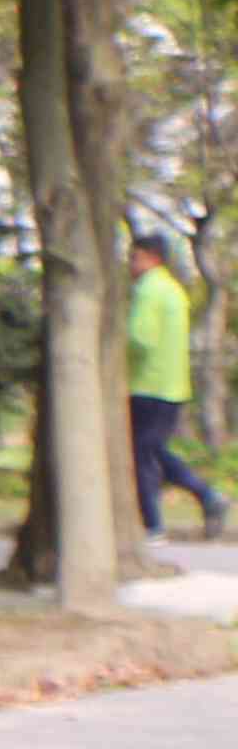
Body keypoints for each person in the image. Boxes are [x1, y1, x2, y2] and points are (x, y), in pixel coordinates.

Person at [130, 228, 221, 540]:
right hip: (173, 386)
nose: (132, 265)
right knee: (153, 449)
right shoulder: (174, 290)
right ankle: (206, 497)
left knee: (143, 454)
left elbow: (139, 339)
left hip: (147, 385)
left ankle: (155, 525)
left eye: (135, 258)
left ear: (151, 258)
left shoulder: (148, 289)